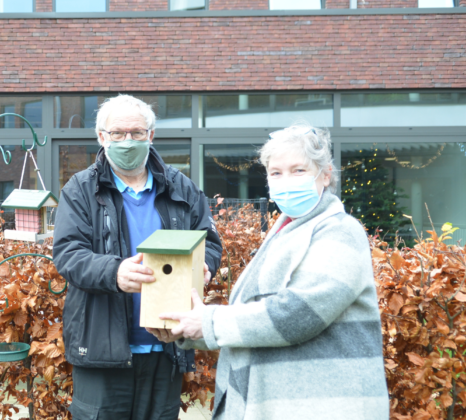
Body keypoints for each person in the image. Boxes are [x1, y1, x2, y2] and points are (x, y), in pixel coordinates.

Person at [148, 124, 389, 419]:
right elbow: (256, 319)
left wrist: (207, 322)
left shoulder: (340, 231)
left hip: (322, 406)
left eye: (298, 170)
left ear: (325, 174)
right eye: (276, 172)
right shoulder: (286, 230)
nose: (285, 180)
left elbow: (299, 314)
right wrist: (185, 327)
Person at [53, 94, 223, 420]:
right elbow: (67, 253)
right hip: (103, 349)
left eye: (136, 132)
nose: (127, 141)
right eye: (117, 134)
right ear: (102, 138)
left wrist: (206, 265)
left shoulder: (181, 187)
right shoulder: (80, 189)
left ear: (151, 136)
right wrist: (114, 272)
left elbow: (209, 241)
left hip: (166, 343)